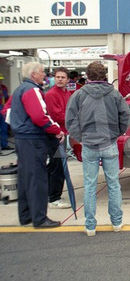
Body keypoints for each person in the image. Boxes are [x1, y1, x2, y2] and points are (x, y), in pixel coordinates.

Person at [66, 61, 130, 236]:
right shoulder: (114, 94)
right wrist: (117, 132)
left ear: (87, 75)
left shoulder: (79, 95)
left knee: (89, 185)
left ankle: (90, 226)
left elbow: (70, 120)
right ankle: (116, 222)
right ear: (104, 76)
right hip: (109, 142)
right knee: (113, 184)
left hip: (89, 144)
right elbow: (126, 115)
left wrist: (81, 137)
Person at [8, 62, 64, 228]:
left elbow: (7, 111)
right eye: (42, 72)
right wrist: (56, 130)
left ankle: (25, 215)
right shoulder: (32, 90)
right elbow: (40, 116)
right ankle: (40, 218)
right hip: (33, 139)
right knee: (38, 179)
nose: (44, 75)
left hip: (22, 139)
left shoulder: (19, 89)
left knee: (26, 178)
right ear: (34, 74)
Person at [45, 67, 72, 209]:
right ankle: (54, 198)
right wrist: (74, 118)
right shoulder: (51, 94)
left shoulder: (67, 93)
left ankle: (50, 194)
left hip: (64, 134)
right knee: (58, 166)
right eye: (57, 77)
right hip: (56, 136)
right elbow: (57, 116)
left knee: (56, 165)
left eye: (63, 77)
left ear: (68, 79)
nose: (60, 79)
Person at [0, 73, 13, 150]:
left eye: (1, 80)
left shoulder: (4, 88)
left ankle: (4, 145)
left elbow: (7, 98)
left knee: (4, 128)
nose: (0, 81)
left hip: (2, 108)